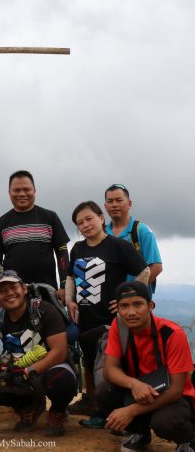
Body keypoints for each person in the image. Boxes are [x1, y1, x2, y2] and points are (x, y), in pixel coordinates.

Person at [65, 201, 149, 425]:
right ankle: (99, 409)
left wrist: (125, 301)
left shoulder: (117, 246)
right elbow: (71, 277)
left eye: (89, 219)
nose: (85, 225)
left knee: (108, 367)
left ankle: (112, 414)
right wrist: (70, 301)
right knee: (92, 365)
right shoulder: (78, 249)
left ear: (101, 218)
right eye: (80, 223)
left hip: (110, 321)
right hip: (84, 319)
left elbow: (144, 271)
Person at [0, 270, 77, 436]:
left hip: (44, 371)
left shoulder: (45, 310)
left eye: (13, 287)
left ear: (24, 289)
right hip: (13, 374)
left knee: (62, 378)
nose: (9, 293)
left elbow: (60, 351)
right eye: (2, 291)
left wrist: (30, 370)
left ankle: (57, 411)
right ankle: (25, 407)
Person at [97, 281, 195, 452]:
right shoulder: (119, 327)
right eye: (124, 306)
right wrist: (134, 384)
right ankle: (140, 433)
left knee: (165, 423)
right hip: (138, 389)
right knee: (104, 392)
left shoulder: (172, 334)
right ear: (118, 309)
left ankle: (187, 438)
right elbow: (109, 369)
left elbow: (177, 389)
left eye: (138, 304)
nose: (131, 312)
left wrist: (131, 411)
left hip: (171, 396)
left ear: (150, 305)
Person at [0, 170, 70, 302]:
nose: (22, 194)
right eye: (16, 190)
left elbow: (62, 253)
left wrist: (64, 285)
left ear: (34, 191)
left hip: (48, 292)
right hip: (13, 294)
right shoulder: (0, 224)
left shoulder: (50, 218)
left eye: (26, 189)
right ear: (9, 193)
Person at [104, 184, 162, 292]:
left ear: (129, 203)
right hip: (107, 302)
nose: (114, 205)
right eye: (110, 201)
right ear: (105, 206)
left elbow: (156, 267)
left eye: (119, 200)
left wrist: (130, 292)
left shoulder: (141, 231)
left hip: (133, 303)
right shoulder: (102, 233)